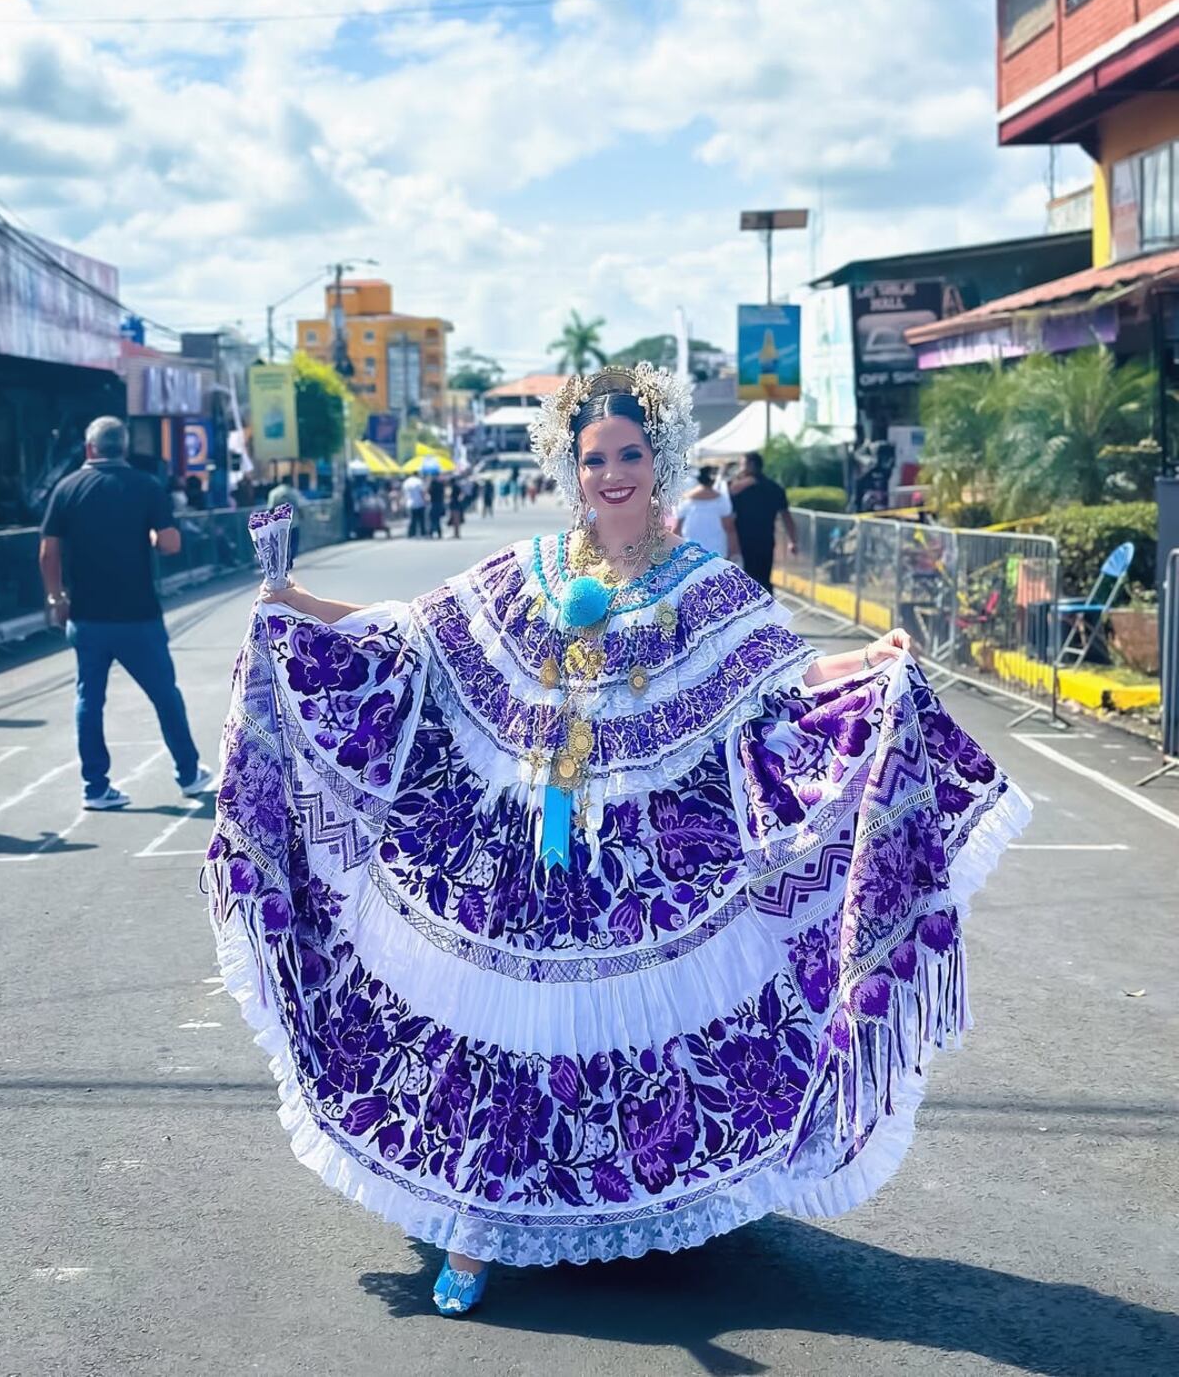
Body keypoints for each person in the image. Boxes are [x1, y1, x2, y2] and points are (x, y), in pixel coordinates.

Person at [207, 363, 1027, 1318]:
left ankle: (629, 1198)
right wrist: (296, 606)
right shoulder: (526, 571)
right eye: (594, 457)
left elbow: (787, 681)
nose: (612, 474)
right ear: (569, 466)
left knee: (623, 1031)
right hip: (516, 858)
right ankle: (478, 1226)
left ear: (662, 459)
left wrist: (872, 663)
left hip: (645, 868)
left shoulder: (703, 585)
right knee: (503, 1026)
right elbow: (408, 642)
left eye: (631, 454)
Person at [40, 417, 214, 811]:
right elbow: (169, 543)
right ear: (124, 448)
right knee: (165, 695)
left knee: (89, 699)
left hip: (86, 615)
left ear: (90, 449)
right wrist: (152, 536)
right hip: (138, 615)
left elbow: (48, 552)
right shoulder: (145, 486)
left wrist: (56, 598)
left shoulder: (66, 489)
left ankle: (95, 786)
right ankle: (188, 773)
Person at [730, 451, 797, 595]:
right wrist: (793, 540)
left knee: (744, 578)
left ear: (751, 465)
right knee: (764, 577)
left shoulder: (737, 489)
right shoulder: (774, 488)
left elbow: (727, 516)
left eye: (742, 465)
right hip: (766, 540)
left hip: (742, 541)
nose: (740, 469)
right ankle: (766, 611)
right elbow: (786, 516)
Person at [677, 464, 736, 558]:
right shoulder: (721, 500)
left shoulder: (686, 500)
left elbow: (677, 529)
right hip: (717, 551)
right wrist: (733, 551)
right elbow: (730, 529)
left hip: (691, 552)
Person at [267, 475, 301, 561]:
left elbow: (270, 508)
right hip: (293, 522)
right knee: (293, 543)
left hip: (279, 523)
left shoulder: (274, 493)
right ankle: (290, 558)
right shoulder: (294, 493)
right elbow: (299, 507)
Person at [402, 472, 426, 538]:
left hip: (409, 503)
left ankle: (411, 534)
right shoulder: (419, 482)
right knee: (421, 520)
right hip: (419, 502)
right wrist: (425, 501)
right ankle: (422, 533)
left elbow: (404, 493)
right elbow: (422, 492)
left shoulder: (406, 482)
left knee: (412, 520)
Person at [427, 473, 446, 539]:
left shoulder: (432, 486)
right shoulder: (441, 485)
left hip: (433, 503)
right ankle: (439, 533)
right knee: (438, 519)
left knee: (432, 519)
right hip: (440, 503)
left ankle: (431, 533)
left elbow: (428, 493)